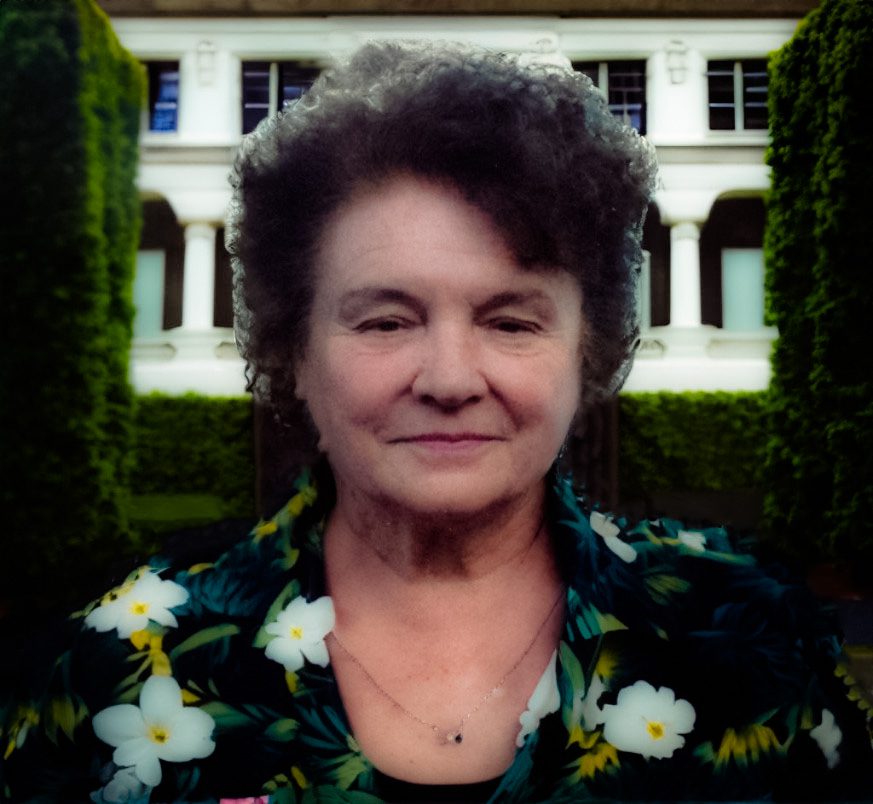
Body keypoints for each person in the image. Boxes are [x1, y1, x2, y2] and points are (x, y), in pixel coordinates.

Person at [1, 40, 871, 804]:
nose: (450, 379)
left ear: (587, 351)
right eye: (384, 320)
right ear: (293, 350)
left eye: (510, 321)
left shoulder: (757, 641)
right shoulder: (121, 659)